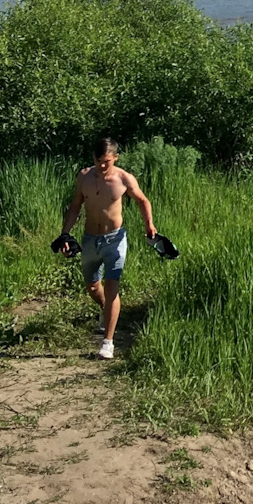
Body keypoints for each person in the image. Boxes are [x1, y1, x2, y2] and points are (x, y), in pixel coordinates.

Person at [58, 137, 156, 360]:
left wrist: (149, 224)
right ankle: (106, 311)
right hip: (90, 239)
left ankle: (108, 342)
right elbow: (75, 206)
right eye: (98, 160)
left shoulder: (123, 178)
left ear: (115, 158)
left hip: (115, 239)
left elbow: (143, 200)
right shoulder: (84, 177)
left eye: (107, 161)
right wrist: (65, 234)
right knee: (93, 287)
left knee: (112, 285)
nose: (102, 165)